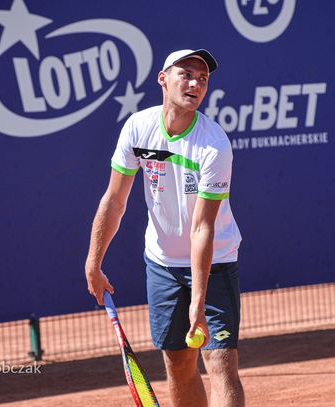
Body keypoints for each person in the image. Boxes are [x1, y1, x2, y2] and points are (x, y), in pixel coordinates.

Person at [85, 49, 244, 407]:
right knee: (177, 364)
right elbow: (115, 200)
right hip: (162, 265)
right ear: (163, 78)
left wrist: (199, 302)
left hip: (214, 262)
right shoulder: (137, 128)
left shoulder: (214, 145)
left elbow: (203, 227)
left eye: (202, 79)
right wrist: (94, 262)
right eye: (186, 74)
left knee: (219, 361)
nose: (195, 84)